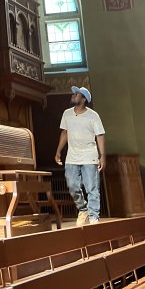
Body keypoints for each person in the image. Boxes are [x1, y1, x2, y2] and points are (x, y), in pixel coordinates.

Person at [54, 85, 106, 226]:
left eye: (76, 94)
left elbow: (99, 136)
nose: (73, 95)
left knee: (92, 188)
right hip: (72, 156)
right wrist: (59, 150)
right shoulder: (67, 113)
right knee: (72, 186)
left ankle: (94, 215)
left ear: (83, 99)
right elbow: (64, 133)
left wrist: (102, 156)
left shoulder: (93, 116)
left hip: (90, 156)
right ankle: (83, 209)